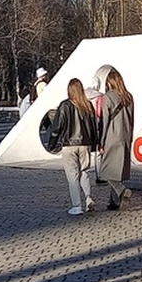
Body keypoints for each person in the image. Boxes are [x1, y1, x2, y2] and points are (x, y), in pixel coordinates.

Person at [47, 78, 100, 216]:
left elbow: (57, 127)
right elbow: (94, 127)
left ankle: (77, 206)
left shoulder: (65, 105)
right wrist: (94, 144)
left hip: (69, 144)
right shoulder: (87, 105)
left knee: (73, 176)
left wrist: (52, 144)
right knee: (85, 172)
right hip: (85, 143)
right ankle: (88, 198)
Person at [97, 68, 135, 211]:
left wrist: (101, 141)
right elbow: (132, 119)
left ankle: (122, 190)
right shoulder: (129, 97)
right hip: (125, 136)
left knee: (105, 171)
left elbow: (105, 121)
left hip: (112, 137)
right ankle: (114, 201)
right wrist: (130, 137)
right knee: (117, 171)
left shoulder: (108, 97)